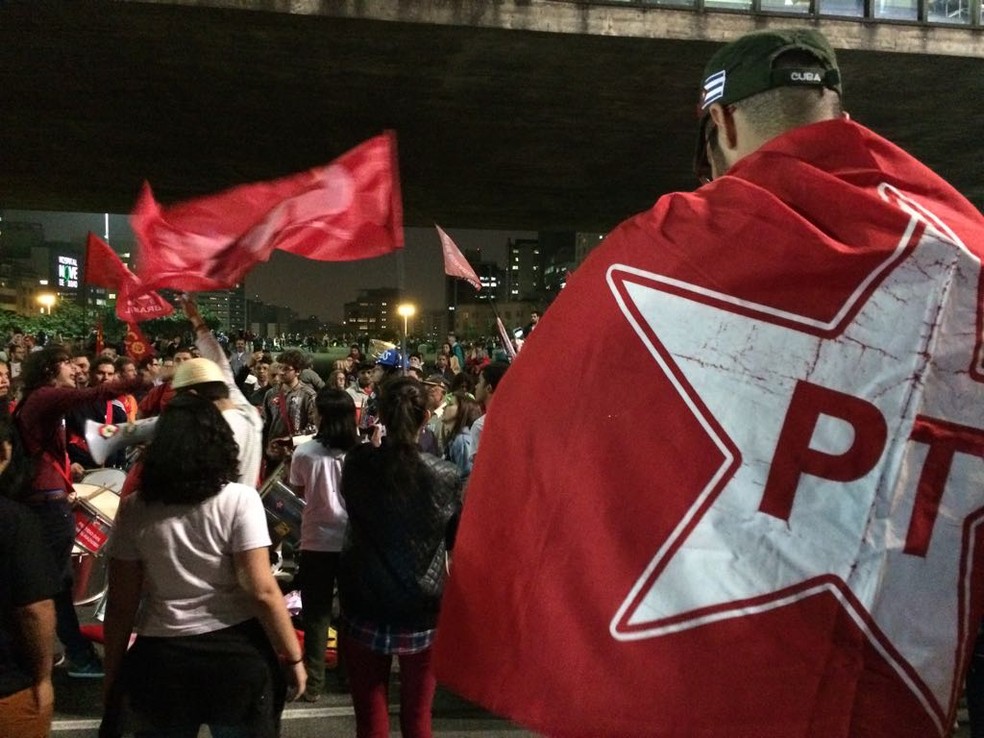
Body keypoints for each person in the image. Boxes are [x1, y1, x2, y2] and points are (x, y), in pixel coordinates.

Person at [433, 29, 984, 738]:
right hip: (896, 698)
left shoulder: (652, 265)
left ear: (720, 125)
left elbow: (535, 431)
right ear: (842, 116)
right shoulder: (962, 256)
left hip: (722, 693)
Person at [101, 393, 305, 738]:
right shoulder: (239, 500)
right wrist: (294, 656)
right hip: (235, 652)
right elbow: (261, 589)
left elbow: (122, 604)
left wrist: (113, 674)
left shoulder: (135, 507)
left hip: (162, 657)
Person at [339, 377, 462, 738]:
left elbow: (355, 501)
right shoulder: (445, 475)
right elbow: (452, 537)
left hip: (365, 601)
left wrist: (371, 448)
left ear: (382, 416)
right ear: (426, 417)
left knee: (370, 715)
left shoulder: (359, 463)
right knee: (418, 715)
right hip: (423, 607)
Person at [14, 345, 144, 678]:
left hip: (47, 499)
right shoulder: (46, 396)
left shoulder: (39, 399)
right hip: (47, 506)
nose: (75, 370)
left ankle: (50, 651)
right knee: (55, 584)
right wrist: (144, 378)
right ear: (49, 370)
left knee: (53, 582)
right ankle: (75, 654)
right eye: (67, 365)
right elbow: (96, 393)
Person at [289, 388, 360, 702]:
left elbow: (298, 490)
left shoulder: (304, 453)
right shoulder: (359, 452)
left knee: (316, 612)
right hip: (351, 540)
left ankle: (314, 682)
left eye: (316, 411)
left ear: (324, 416)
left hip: (316, 539)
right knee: (350, 610)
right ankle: (348, 676)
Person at [0, 412, 58, 738]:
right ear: (5, 452)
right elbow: (36, 610)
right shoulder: (15, 521)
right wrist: (44, 677)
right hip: (7, 689)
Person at [467, 361, 509, 471]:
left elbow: (479, 469)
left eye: (480, 382)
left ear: (489, 387)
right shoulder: (519, 420)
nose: (476, 386)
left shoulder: (480, 426)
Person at [441, 391, 481, 484]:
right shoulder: (456, 439)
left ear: (462, 410)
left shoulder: (462, 440)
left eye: (450, 404)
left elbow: (466, 478)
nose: (444, 407)